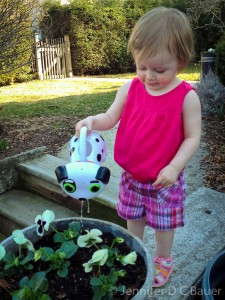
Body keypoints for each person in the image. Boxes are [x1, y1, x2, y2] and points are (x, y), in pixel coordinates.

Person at [75, 6, 201, 288]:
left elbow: (193, 137)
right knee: (133, 218)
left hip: (164, 180)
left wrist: (174, 167)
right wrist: (92, 121)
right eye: (141, 66)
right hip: (132, 177)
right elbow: (110, 117)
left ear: (180, 62)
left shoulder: (186, 97)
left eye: (159, 69)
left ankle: (164, 259)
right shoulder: (130, 88)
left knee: (163, 224)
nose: (148, 76)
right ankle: (134, 251)